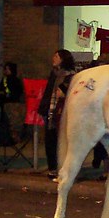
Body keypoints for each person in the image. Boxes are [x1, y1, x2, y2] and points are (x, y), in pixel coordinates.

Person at [39, 49, 77, 180]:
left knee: (64, 141)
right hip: (51, 111)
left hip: (64, 113)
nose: (53, 58)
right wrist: (43, 109)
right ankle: (52, 168)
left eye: (56, 56)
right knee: (50, 140)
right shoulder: (54, 74)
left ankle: (65, 169)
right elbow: (48, 92)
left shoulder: (71, 76)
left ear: (63, 59)